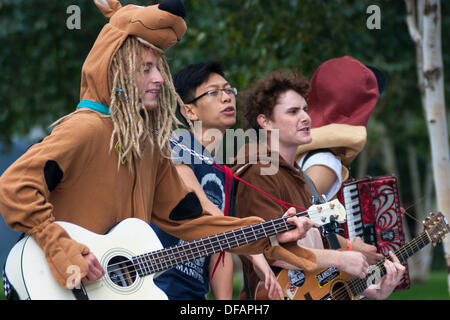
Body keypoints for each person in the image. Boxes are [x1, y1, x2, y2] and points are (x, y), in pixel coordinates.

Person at [0, 0, 318, 299]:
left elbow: (193, 221)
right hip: (47, 280)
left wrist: (270, 233)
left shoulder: (151, 148)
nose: (159, 79)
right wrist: (60, 247)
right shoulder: (86, 128)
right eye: (146, 68)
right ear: (116, 70)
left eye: (159, 68)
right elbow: (15, 187)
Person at [233, 69, 405, 300]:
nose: (305, 117)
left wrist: (374, 291)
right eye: (293, 112)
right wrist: (342, 257)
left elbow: (322, 265)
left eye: (305, 109)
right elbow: (267, 249)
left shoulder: (299, 177)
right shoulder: (260, 172)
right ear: (265, 121)